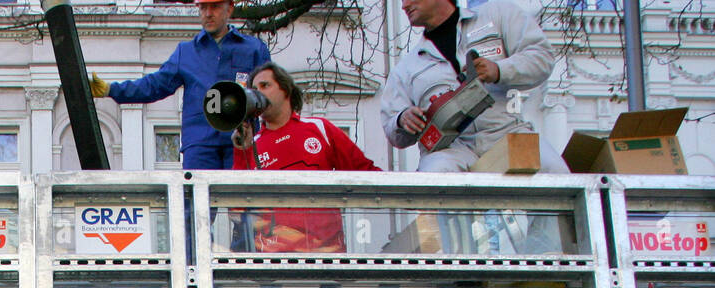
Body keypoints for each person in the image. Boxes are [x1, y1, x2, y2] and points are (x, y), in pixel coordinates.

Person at [380, 0, 565, 173]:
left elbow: (542, 57)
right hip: (450, 150)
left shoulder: (497, 15)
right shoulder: (405, 69)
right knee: (433, 185)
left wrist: (499, 70)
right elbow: (392, 128)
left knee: (557, 176)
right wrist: (402, 120)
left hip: (506, 133)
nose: (404, 5)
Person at [90, 0, 268, 169]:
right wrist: (111, 89)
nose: (208, 14)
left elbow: (268, 93)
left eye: (214, 7)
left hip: (241, 140)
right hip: (200, 145)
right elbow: (154, 85)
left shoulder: (253, 49)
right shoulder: (186, 52)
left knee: (240, 197)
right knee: (196, 198)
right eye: (203, 8)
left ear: (229, 9)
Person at [232, 63, 379, 252]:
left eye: (265, 86)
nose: (257, 93)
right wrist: (241, 150)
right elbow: (237, 207)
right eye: (253, 89)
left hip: (326, 256)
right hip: (273, 263)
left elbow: (367, 173)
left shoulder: (319, 128)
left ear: (286, 90)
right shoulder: (252, 144)